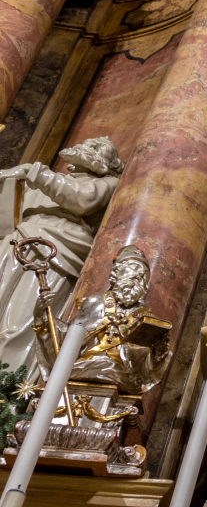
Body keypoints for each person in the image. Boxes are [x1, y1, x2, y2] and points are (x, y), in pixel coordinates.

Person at [0, 137, 122, 370]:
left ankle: (7, 393)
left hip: (54, 252)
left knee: (19, 325)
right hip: (16, 242)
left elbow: (82, 199)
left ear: (108, 164)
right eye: (87, 144)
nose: (87, 147)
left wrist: (34, 173)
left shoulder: (108, 183)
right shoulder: (39, 180)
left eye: (97, 148)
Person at [33, 245, 170, 395]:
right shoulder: (96, 302)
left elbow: (146, 371)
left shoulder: (147, 320)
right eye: (133, 268)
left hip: (124, 381)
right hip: (83, 370)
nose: (139, 275)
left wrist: (158, 350)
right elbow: (66, 340)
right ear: (116, 273)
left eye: (144, 274)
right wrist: (42, 317)